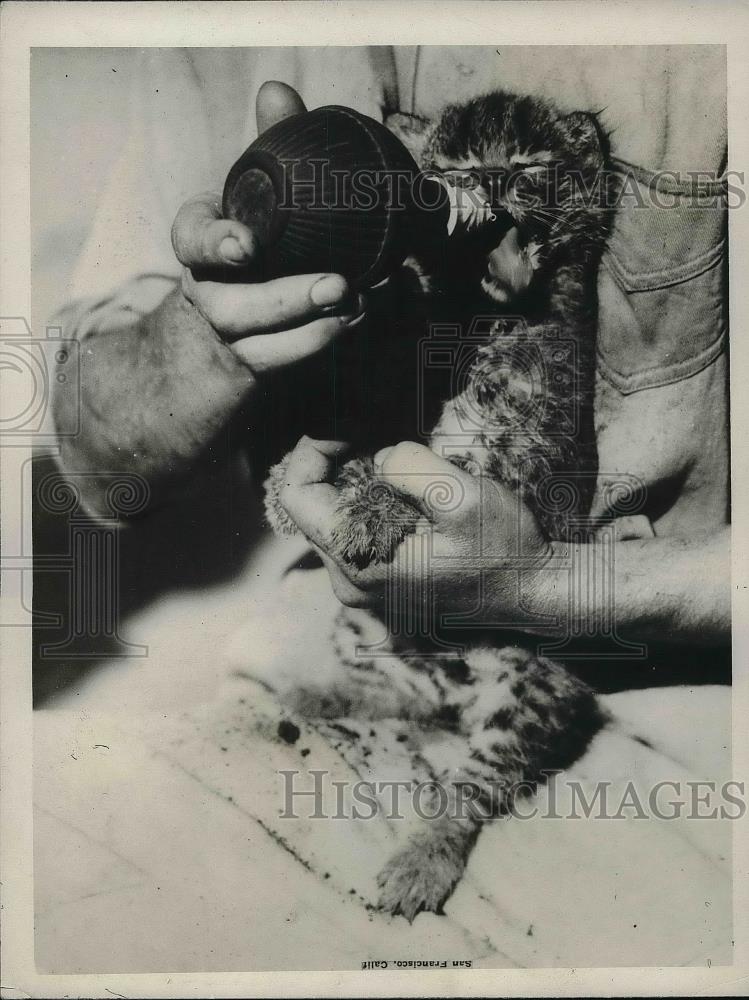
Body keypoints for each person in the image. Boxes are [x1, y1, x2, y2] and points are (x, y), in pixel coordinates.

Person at [39, 46, 732, 969]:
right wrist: (200, 343)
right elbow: (92, 466)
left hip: (659, 701)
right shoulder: (220, 44)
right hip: (332, 657)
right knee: (58, 866)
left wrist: (557, 588)